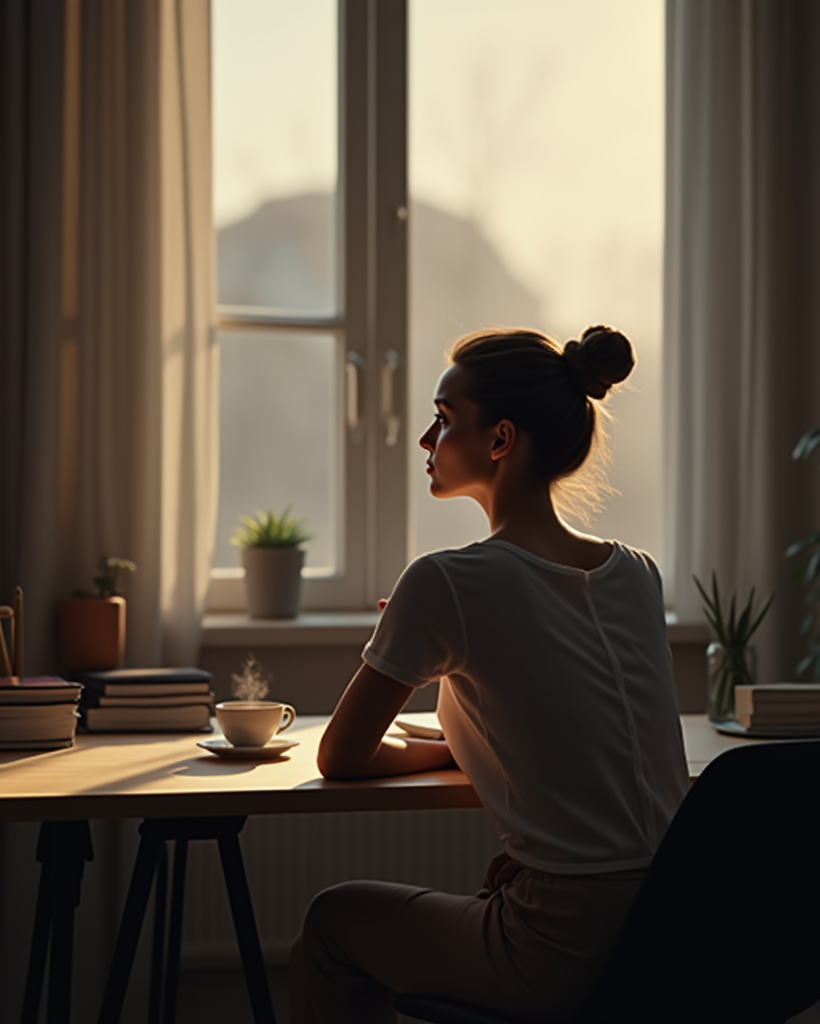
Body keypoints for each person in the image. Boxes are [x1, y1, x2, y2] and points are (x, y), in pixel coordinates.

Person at [291, 326, 690, 1024]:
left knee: (331, 923)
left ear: (500, 439)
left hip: (563, 949)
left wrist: (433, 723)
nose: (425, 441)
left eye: (444, 421)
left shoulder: (446, 581)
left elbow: (341, 756)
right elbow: (573, 736)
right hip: (676, 931)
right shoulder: (638, 573)